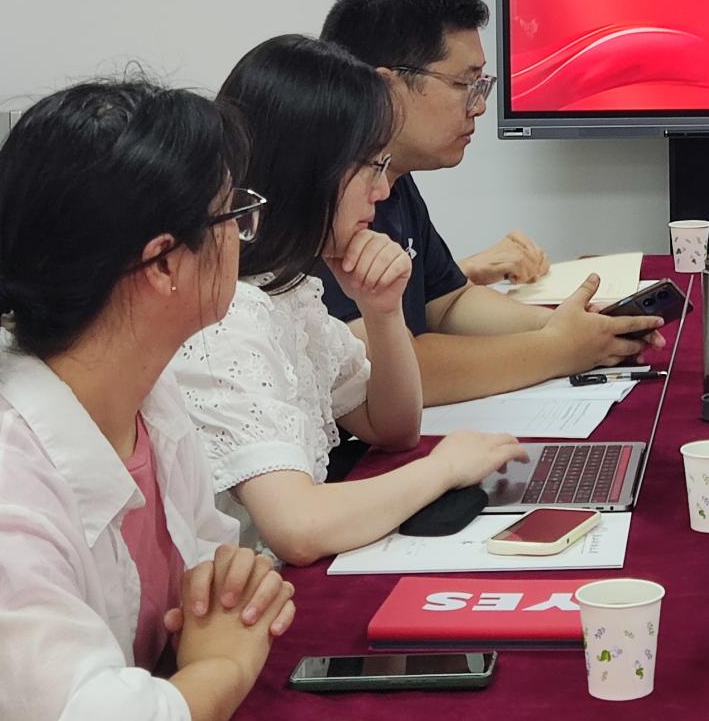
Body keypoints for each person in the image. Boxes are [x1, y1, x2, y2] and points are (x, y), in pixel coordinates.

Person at [0, 80, 295, 721]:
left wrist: (229, 585)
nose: (242, 234)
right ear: (162, 264)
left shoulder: (139, 389)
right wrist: (224, 666)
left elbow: (205, 562)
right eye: (230, 214)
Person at [170, 35, 527, 564]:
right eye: (371, 167)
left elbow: (392, 428)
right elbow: (298, 528)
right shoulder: (229, 316)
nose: (382, 192)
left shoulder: (288, 289)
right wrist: (444, 468)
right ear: (306, 172)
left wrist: (382, 312)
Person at [319, 0, 663, 403]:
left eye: (481, 84)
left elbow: (449, 302)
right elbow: (383, 371)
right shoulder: (325, 192)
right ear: (387, 87)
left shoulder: (392, 176)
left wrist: (575, 326)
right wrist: (558, 349)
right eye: (464, 83)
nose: (478, 106)